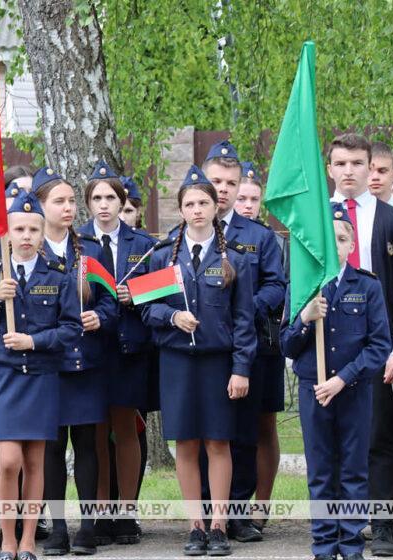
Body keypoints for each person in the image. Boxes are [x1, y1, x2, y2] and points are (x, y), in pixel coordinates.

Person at [142, 166, 256, 556]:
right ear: (180, 210)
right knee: (186, 445)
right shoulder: (162, 258)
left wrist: (241, 368)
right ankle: (195, 525)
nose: (196, 210)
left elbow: (245, 320)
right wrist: (172, 317)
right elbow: (145, 310)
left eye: (203, 202)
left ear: (214, 207)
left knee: (218, 442)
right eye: (189, 204)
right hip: (176, 363)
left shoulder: (234, 260)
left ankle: (220, 525)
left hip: (218, 364)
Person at [280, 203, 391, 560]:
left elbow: (379, 346)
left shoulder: (368, 286)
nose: (335, 245)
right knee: (321, 472)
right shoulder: (302, 287)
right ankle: (325, 546)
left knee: (354, 472)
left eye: (342, 239)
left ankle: (352, 544)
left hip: (353, 392)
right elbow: (286, 343)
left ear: (351, 245)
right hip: (315, 391)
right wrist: (305, 319)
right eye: (329, 239)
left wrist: (342, 379)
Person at [0, 189, 82, 560]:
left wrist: (33, 341)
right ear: (7, 233)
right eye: (18, 229)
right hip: (6, 378)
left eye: (33, 230)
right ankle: (6, 537)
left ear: (41, 233)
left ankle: (28, 540)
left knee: (35, 461)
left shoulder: (59, 274)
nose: (25, 236)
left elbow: (71, 330)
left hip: (41, 376)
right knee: (8, 461)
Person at [327, 133, 393, 557]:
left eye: (357, 163)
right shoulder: (315, 218)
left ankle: (382, 525)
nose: (349, 171)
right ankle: (336, 526)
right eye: (341, 163)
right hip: (328, 343)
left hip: (380, 346)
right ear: (330, 168)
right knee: (332, 439)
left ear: (372, 168)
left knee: (378, 435)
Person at [199, 143, 286, 543]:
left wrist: (244, 307)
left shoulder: (258, 236)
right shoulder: (186, 231)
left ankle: (236, 512)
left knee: (244, 432)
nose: (223, 189)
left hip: (246, 348)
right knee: (205, 432)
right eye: (215, 180)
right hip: (201, 351)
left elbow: (276, 285)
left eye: (230, 183)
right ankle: (203, 511)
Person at [32, 163, 116, 556]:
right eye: (59, 201)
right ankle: (58, 528)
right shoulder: (31, 251)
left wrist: (100, 316)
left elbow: (112, 302)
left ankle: (87, 526)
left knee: (86, 444)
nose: (68, 208)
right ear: (40, 206)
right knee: (51, 449)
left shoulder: (91, 251)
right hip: (49, 365)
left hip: (85, 362)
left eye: (70, 201)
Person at [79, 167, 158, 546]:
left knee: (125, 428)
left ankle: (127, 512)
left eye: (111, 198)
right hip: (92, 348)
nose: (104, 205)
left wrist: (137, 295)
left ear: (123, 201)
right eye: (97, 198)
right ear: (89, 203)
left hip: (128, 347)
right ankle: (100, 513)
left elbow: (164, 290)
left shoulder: (142, 243)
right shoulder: (77, 243)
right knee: (95, 433)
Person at [231, 161, 288, 533]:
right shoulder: (206, 233)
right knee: (230, 428)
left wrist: (244, 306)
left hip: (263, 343)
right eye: (241, 198)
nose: (248, 204)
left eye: (254, 198)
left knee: (262, 424)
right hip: (223, 346)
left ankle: (258, 505)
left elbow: (277, 286)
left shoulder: (267, 239)